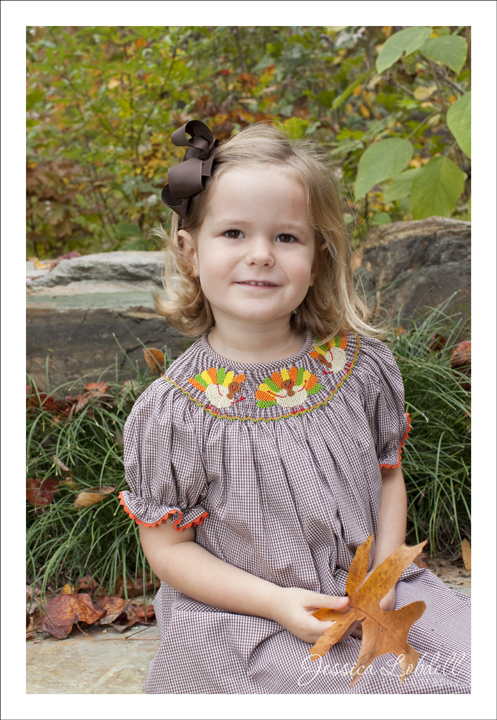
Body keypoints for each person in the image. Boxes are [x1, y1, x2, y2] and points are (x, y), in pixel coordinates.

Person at [119, 120, 471, 694]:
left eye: (287, 237)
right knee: (410, 691)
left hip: (378, 593)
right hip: (249, 620)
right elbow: (169, 550)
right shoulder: (176, 411)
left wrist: (385, 576)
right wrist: (276, 603)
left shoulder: (355, 367)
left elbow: (388, 477)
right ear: (190, 251)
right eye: (234, 233)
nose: (261, 255)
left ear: (319, 256)